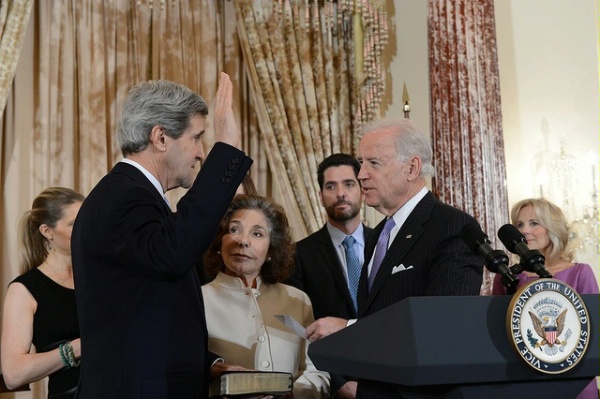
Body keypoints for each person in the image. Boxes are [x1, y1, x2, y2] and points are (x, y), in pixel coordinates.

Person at [71, 73, 253, 398]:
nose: (201, 154)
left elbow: (147, 309)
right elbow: (173, 254)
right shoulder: (124, 197)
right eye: (197, 138)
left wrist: (206, 364)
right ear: (161, 137)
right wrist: (228, 151)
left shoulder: (129, 195)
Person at [306, 117, 484, 398]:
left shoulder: (452, 227)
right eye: (361, 162)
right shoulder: (378, 235)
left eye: (373, 163)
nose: (361, 174)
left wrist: (349, 328)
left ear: (411, 167)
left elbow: (442, 328)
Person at [202, 194, 330, 398]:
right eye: (234, 230)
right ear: (219, 243)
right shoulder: (198, 300)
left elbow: (316, 371)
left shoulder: (298, 300)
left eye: (257, 234)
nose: (243, 241)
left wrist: (293, 395)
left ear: (271, 250)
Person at [492, 198, 599, 398]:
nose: (524, 230)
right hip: (524, 381)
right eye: (519, 224)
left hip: (576, 381)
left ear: (552, 228)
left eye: (534, 223)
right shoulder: (507, 277)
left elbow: (595, 331)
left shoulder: (580, 273)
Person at [287, 153, 371, 398]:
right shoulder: (298, 254)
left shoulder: (386, 245)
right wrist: (338, 383)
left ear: (362, 190)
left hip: (386, 379)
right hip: (329, 382)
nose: (340, 193)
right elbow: (299, 329)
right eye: (330, 186)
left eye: (348, 184)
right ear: (320, 196)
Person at [1, 187, 85, 398]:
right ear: (47, 231)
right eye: (75, 224)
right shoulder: (24, 289)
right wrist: (75, 349)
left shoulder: (97, 277)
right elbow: (13, 374)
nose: (86, 228)